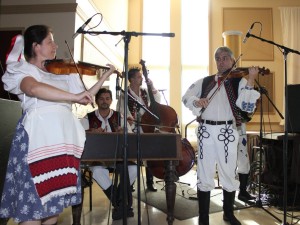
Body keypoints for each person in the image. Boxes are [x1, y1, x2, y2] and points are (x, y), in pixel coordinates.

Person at [0, 25, 115, 225]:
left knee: (52, 212)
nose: (55, 45)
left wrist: (106, 75)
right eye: (50, 41)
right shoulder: (24, 70)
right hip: (36, 138)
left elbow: (85, 98)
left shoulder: (62, 73)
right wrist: (73, 96)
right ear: (36, 46)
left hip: (61, 143)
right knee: (33, 210)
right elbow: (34, 88)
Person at [182, 46, 260, 225]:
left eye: (225, 58)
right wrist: (197, 101)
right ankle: (203, 218)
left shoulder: (238, 81)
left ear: (233, 61)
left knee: (228, 173)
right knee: (204, 172)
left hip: (227, 132)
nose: (221, 61)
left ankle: (228, 213)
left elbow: (246, 107)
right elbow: (186, 96)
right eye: (218, 58)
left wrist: (251, 80)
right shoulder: (206, 81)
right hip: (206, 131)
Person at [79, 88, 137, 220]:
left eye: (107, 98)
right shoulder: (88, 117)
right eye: (101, 98)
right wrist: (91, 131)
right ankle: (121, 204)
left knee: (133, 168)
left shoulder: (119, 116)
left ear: (111, 100)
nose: (104, 101)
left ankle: (119, 204)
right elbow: (78, 134)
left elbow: (131, 135)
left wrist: (123, 131)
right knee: (98, 172)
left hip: (119, 157)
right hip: (98, 158)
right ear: (97, 100)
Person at [117, 67, 161, 192]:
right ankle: (131, 183)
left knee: (148, 154)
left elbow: (157, 100)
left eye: (141, 76)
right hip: (134, 127)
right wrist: (131, 119)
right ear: (131, 79)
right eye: (138, 77)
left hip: (147, 127)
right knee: (133, 154)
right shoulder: (124, 94)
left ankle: (150, 182)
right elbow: (121, 110)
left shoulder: (145, 92)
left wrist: (152, 85)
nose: (141, 79)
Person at [237, 123, 256, 203]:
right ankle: (228, 196)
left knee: (245, 164)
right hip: (230, 127)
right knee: (230, 165)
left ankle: (242, 192)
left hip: (241, 129)